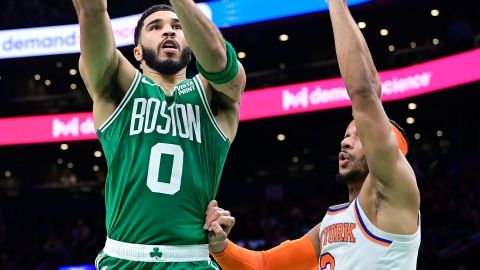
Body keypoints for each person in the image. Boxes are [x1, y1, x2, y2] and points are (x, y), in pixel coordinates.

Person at [204, 0, 421, 269]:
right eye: (346, 134)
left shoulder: (394, 190)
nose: (345, 140)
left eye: (359, 135)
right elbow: (264, 266)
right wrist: (221, 247)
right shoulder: (330, 224)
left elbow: (365, 92)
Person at [72, 0, 246, 269]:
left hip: (192, 260)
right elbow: (91, 10)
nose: (169, 31)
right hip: (124, 257)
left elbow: (217, 57)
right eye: (156, 27)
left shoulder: (217, 95)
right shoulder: (115, 85)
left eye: (178, 26)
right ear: (138, 52)